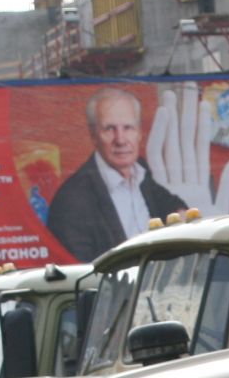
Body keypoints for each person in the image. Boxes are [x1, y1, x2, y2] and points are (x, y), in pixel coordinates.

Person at [44, 87, 187, 263]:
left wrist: (186, 215)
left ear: (139, 133)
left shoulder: (140, 171)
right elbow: (81, 274)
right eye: (109, 129)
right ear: (93, 136)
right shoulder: (71, 201)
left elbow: (168, 202)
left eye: (128, 128)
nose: (120, 140)